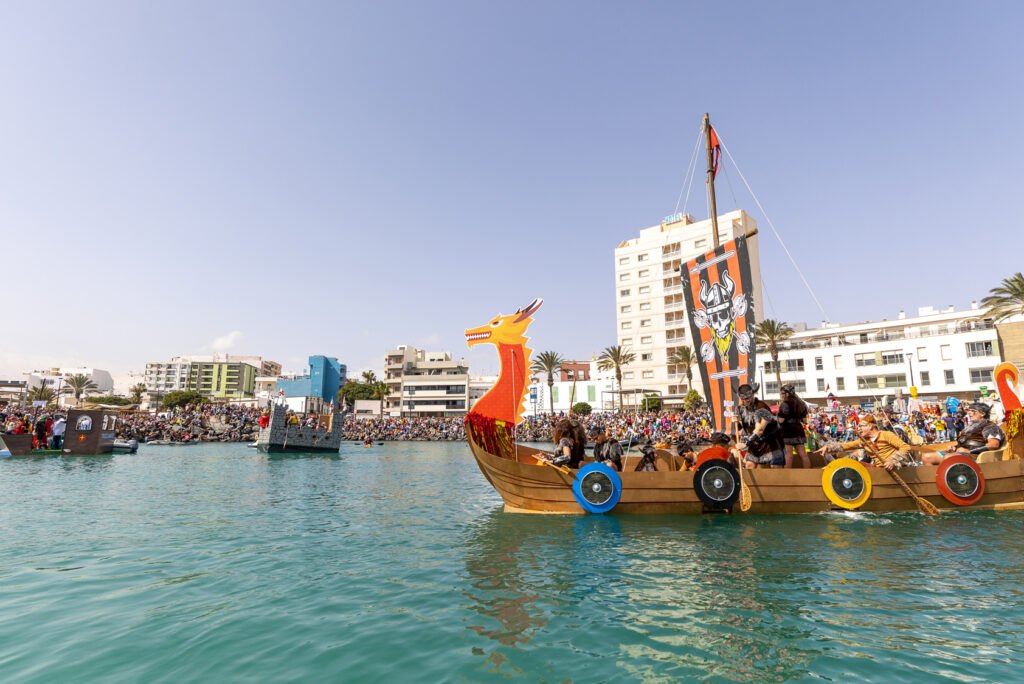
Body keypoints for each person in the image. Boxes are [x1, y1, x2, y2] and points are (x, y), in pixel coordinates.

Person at [816, 415, 913, 471]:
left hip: (893, 469)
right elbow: (846, 446)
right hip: (879, 469)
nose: (858, 428)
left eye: (861, 426)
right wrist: (828, 448)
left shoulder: (886, 435)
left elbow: (905, 447)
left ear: (870, 426)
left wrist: (892, 461)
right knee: (852, 464)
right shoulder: (864, 441)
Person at [920, 402, 1005, 465]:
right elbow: (964, 443)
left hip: (975, 456)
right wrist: (954, 448)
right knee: (926, 457)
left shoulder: (990, 426)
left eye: (973, 411)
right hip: (960, 453)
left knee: (948, 458)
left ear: (982, 413)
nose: (969, 413)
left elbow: (994, 444)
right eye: (969, 411)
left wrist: (969, 451)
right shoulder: (970, 426)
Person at [735, 383, 785, 468]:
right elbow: (741, 427)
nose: (744, 401)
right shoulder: (740, 408)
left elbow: (760, 429)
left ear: (752, 395)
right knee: (749, 465)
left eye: (747, 398)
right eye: (742, 399)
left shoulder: (761, 407)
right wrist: (736, 420)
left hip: (771, 441)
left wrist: (746, 443)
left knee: (775, 468)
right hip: (755, 442)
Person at [777, 384, 810, 468]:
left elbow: (781, 420)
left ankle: (787, 476)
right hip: (798, 429)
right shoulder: (801, 403)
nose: (782, 395)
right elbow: (805, 420)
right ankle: (808, 473)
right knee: (803, 454)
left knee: (788, 455)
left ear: (788, 393)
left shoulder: (785, 404)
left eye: (783, 393)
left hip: (787, 430)